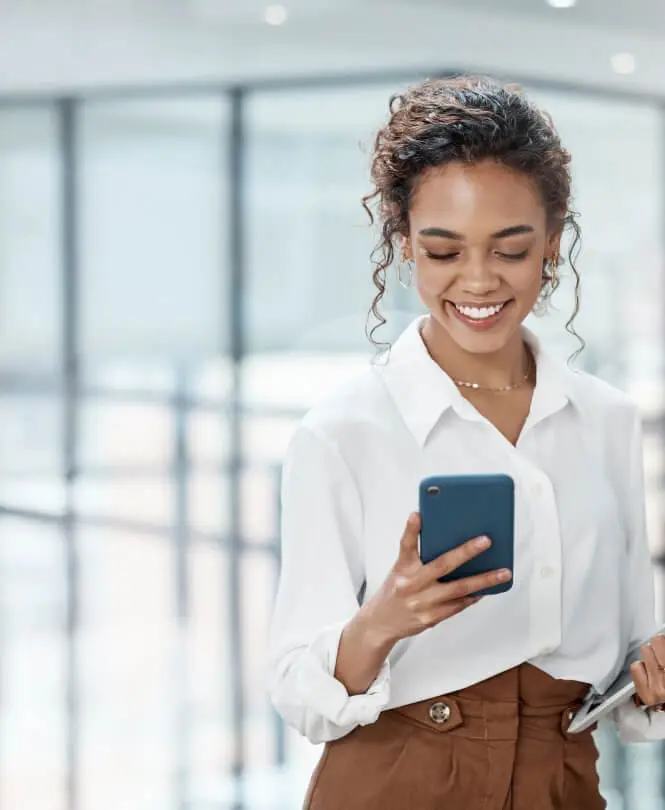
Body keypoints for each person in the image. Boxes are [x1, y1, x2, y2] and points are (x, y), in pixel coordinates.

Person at [267, 75, 665, 810]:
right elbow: (298, 691)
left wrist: (651, 675)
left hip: (563, 779)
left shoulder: (606, 420)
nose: (476, 281)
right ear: (403, 245)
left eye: (509, 250)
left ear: (550, 242)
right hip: (394, 780)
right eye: (443, 252)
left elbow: (630, 651)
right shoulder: (342, 432)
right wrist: (381, 623)